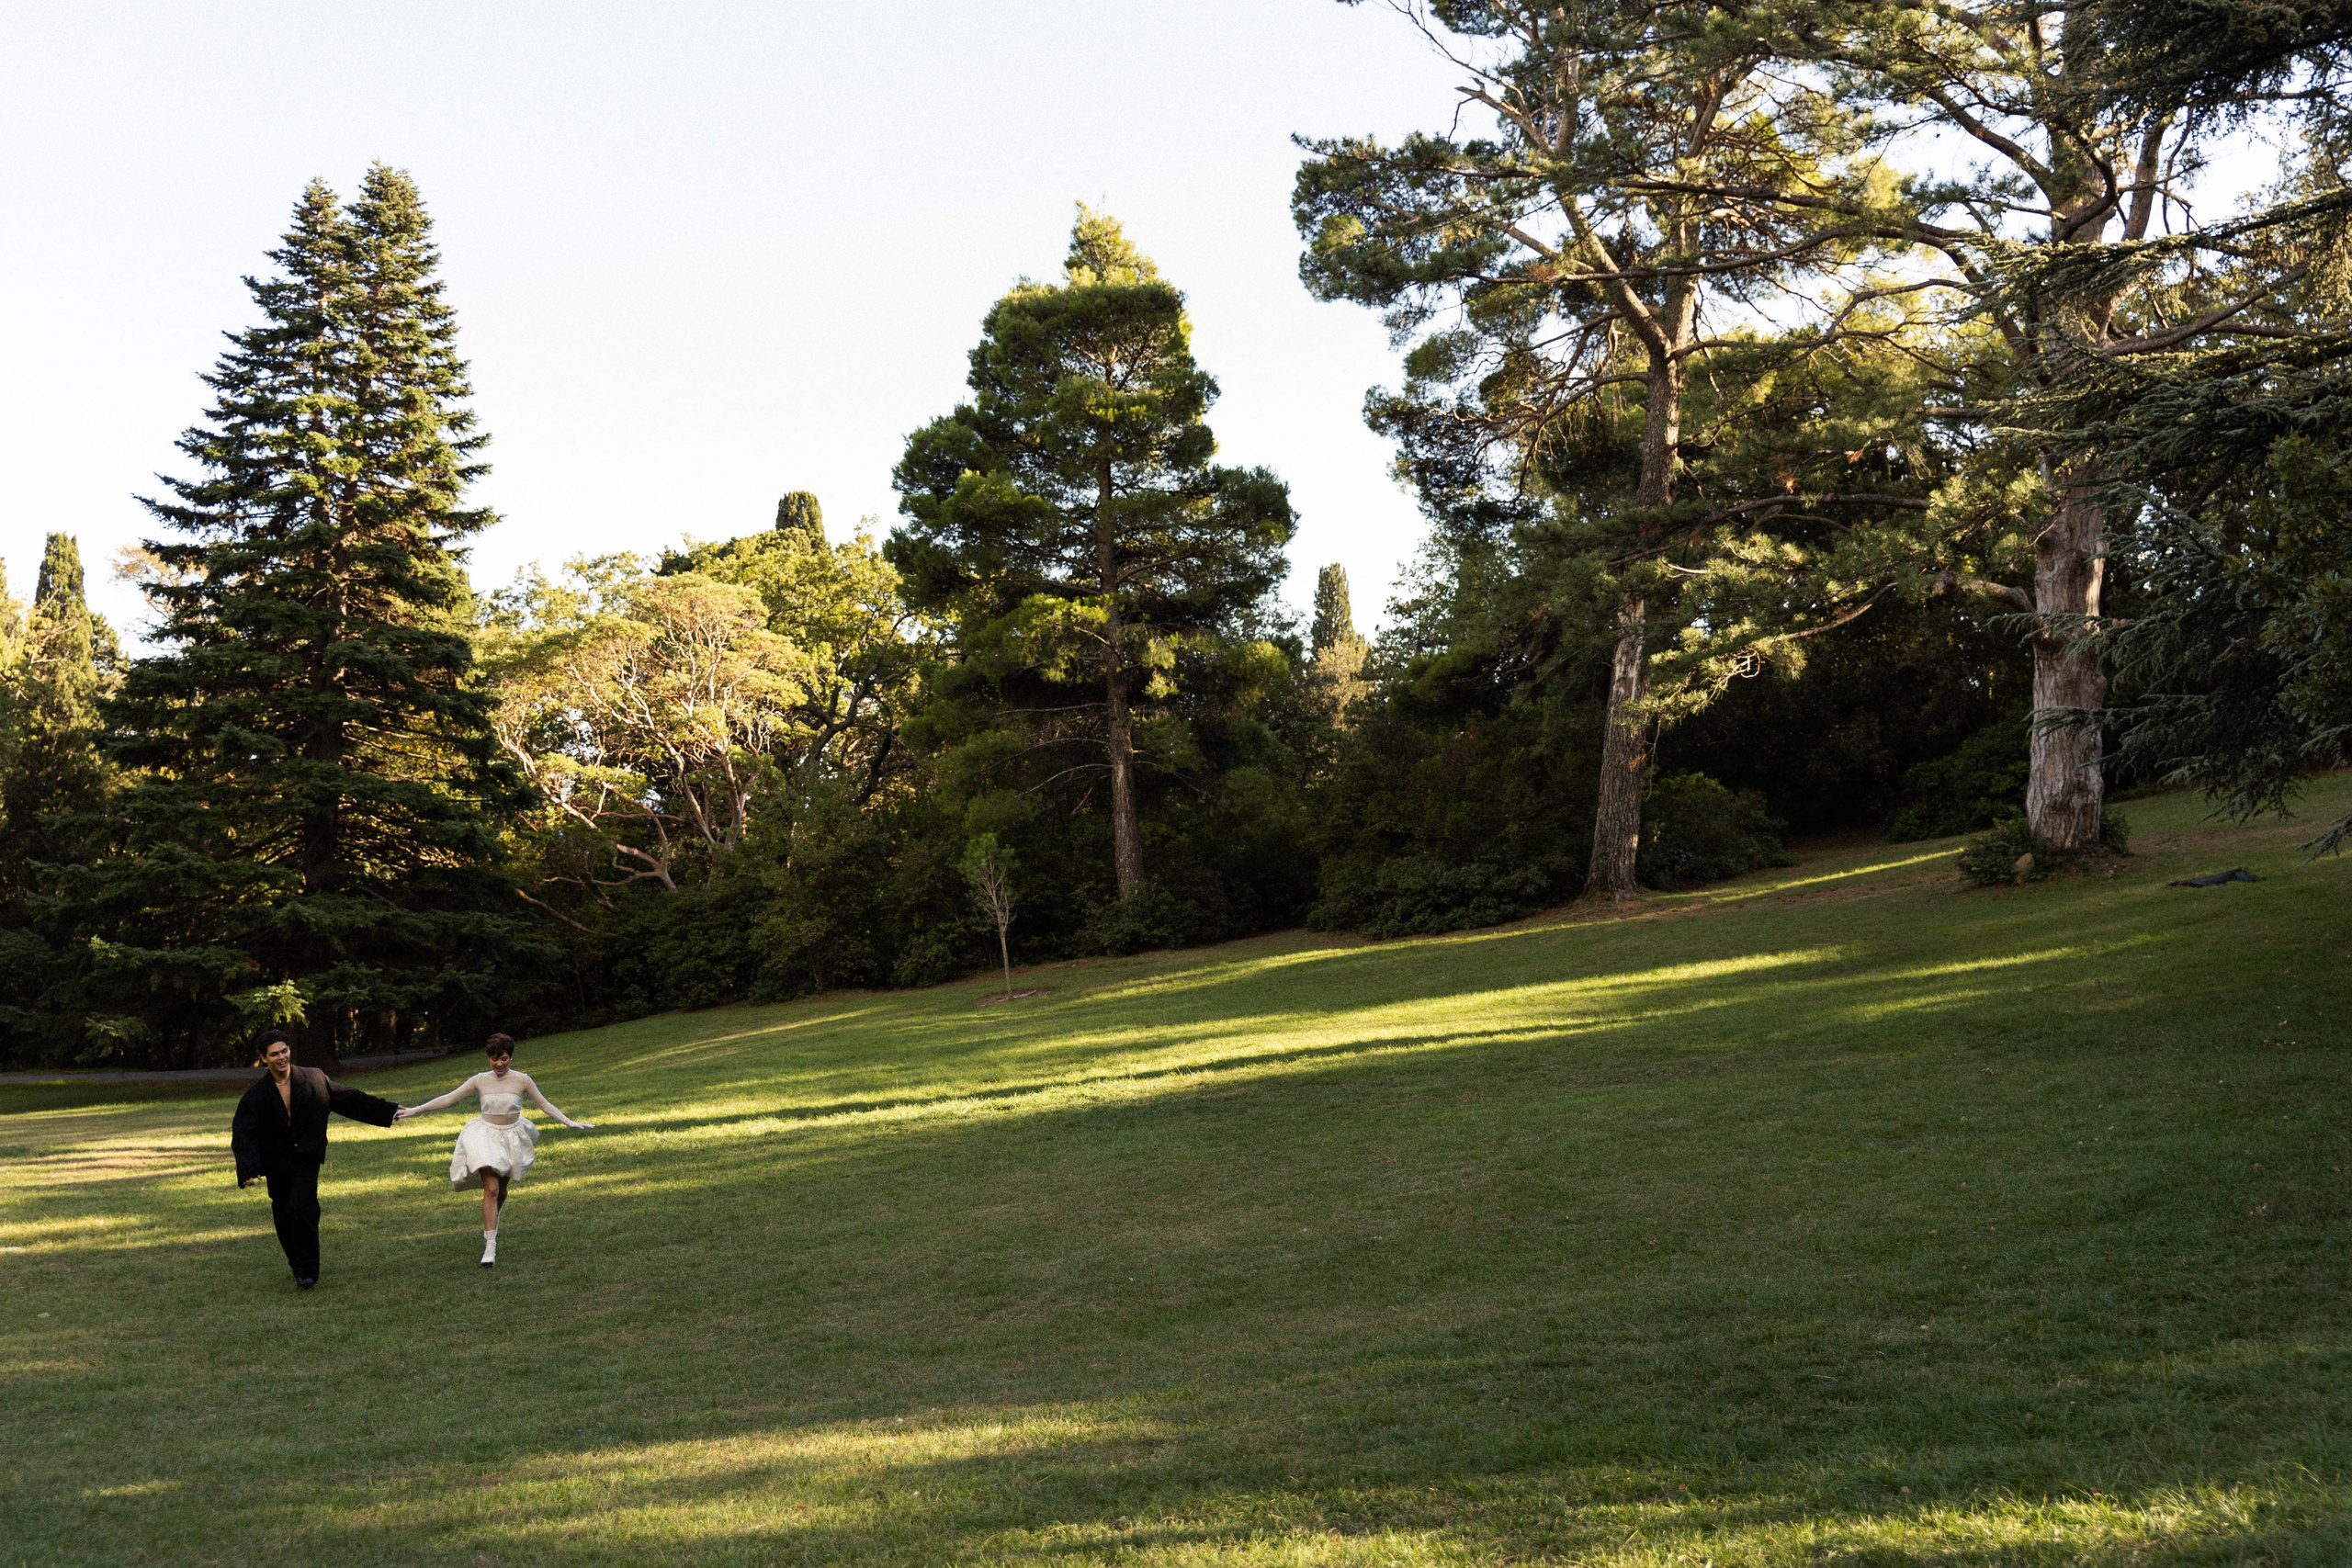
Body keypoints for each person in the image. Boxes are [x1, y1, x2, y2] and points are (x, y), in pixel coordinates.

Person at [395, 1033, 594, 1266]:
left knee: (501, 1190)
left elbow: (545, 1104)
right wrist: (414, 1110)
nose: (499, 1064)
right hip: (485, 1136)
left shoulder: (522, 1080)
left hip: (511, 1138)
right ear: (488, 1058)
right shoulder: (480, 1080)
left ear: (510, 1058)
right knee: (491, 1188)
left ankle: (492, 1222)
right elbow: (449, 1099)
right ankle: (490, 1246)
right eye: (494, 1059)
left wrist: (568, 1121)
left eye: (504, 1059)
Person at [231, 1030, 401, 1290]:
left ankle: (307, 1271)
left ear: (290, 1050)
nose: (281, 1057)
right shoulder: (256, 1096)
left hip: (306, 1155)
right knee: (284, 1214)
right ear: (264, 1059)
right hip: (276, 1162)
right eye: (274, 1054)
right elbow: (243, 1133)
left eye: (284, 1051)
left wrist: (387, 1111)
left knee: (303, 1208)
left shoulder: (313, 1078)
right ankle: (297, 1263)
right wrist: (247, 1169)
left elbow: (348, 1099)